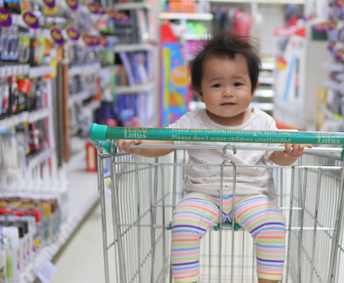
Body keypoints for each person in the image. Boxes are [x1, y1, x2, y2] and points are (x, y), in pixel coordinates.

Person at [116, 31, 310, 283]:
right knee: (182, 223)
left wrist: (290, 154)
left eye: (237, 84)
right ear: (199, 91)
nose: (227, 92)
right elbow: (165, 142)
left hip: (251, 194)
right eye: (217, 85)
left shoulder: (263, 122)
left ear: (253, 89)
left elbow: (275, 156)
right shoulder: (194, 122)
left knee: (273, 224)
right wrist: (139, 144)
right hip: (203, 195)